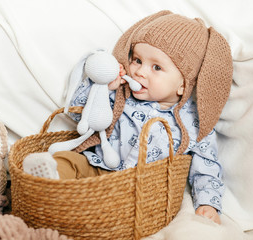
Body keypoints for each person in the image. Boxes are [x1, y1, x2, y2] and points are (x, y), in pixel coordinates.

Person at [23, 10, 233, 224]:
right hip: (98, 169)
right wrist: (104, 89)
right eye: (137, 60)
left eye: (156, 67)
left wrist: (208, 203)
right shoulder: (122, 95)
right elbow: (81, 116)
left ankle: (74, 204)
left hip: (142, 192)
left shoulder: (193, 123)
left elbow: (206, 165)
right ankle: (49, 178)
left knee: (116, 208)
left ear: (183, 84)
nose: (140, 72)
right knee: (71, 161)